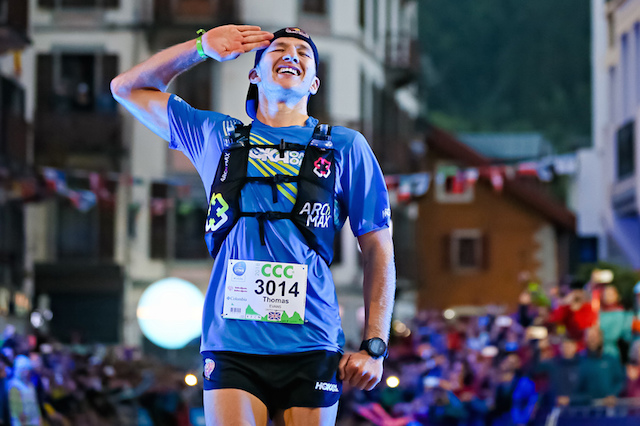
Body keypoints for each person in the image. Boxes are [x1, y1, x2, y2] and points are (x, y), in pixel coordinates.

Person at [111, 25, 396, 425]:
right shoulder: (218, 136)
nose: (291, 54)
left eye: (303, 52)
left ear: (313, 83)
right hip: (232, 343)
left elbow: (379, 250)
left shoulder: (345, 146)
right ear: (254, 74)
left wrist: (374, 346)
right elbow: (126, 87)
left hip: (312, 341)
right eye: (278, 48)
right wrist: (200, 48)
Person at [7, 355, 43, 426]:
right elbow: (16, 411)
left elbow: (35, 405)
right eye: (23, 369)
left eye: (27, 369)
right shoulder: (14, 387)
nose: (26, 372)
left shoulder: (30, 385)